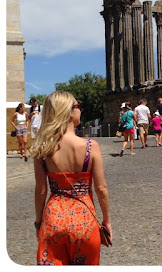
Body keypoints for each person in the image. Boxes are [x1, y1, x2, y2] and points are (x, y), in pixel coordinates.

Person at [31, 91, 111, 265]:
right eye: (77, 106)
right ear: (67, 111)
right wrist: (106, 220)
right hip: (84, 221)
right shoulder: (91, 147)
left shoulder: (41, 148)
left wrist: (39, 222)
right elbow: (101, 188)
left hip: (53, 220)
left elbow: (41, 190)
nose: (80, 110)